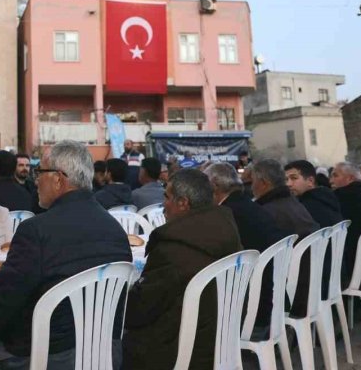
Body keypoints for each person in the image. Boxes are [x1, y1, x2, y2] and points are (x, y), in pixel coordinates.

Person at [0, 140, 132, 369]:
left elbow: (1, 304)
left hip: (44, 357)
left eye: (41, 172)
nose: (35, 180)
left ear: (58, 179)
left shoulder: (36, 231)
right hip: (105, 355)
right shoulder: (116, 230)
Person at [123, 168, 242, 369]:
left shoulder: (174, 248)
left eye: (167, 197)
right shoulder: (226, 229)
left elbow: (139, 309)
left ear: (183, 203)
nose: (163, 205)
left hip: (180, 350)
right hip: (219, 339)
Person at [204, 162, 289, 328]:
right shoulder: (249, 206)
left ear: (214, 186)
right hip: (274, 293)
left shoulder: (227, 214)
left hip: (253, 304)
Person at [251, 158, 318, 240]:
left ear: (263, 183)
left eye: (252, 181)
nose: (251, 187)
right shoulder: (294, 202)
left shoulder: (265, 212)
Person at [284, 160, 343, 228]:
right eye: (286, 179)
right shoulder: (326, 197)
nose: (288, 184)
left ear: (310, 181)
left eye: (294, 178)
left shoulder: (305, 208)